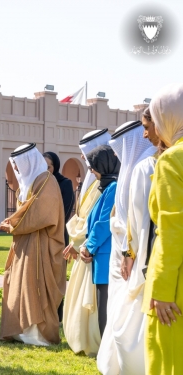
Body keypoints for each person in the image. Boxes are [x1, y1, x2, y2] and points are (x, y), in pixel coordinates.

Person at [97, 108, 160, 375]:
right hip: (124, 251)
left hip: (135, 254)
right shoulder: (134, 168)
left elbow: (141, 220)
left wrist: (130, 253)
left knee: (131, 316)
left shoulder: (146, 166)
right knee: (118, 309)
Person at [0, 143, 66, 346]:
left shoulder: (47, 180)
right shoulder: (28, 184)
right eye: (15, 165)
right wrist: (14, 223)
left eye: (18, 165)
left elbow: (40, 213)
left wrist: (13, 224)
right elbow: (26, 210)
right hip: (24, 244)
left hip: (41, 246)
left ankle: (37, 335)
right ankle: (21, 330)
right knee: (20, 285)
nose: (17, 169)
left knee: (35, 286)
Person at [142, 84, 183, 374]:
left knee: (168, 358)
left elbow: (172, 228)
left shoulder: (172, 160)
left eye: (155, 120)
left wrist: (162, 290)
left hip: (175, 283)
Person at [63, 128, 111, 356]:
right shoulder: (95, 182)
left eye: (87, 154)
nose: (83, 158)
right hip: (86, 247)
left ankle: (95, 342)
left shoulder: (108, 185)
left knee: (95, 302)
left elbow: (101, 221)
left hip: (93, 250)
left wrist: (82, 244)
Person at [79, 145, 120, 339]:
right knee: (102, 303)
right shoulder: (107, 187)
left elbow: (104, 222)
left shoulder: (113, 188)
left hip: (106, 253)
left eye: (92, 167)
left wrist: (89, 246)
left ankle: (107, 352)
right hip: (101, 254)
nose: (91, 172)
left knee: (106, 306)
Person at [43, 151, 75, 323]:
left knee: (57, 276)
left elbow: (65, 211)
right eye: (43, 166)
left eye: (49, 166)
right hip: (41, 236)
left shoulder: (65, 183)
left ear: (55, 166)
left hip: (58, 236)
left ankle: (57, 315)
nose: (46, 170)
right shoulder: (39, 183)